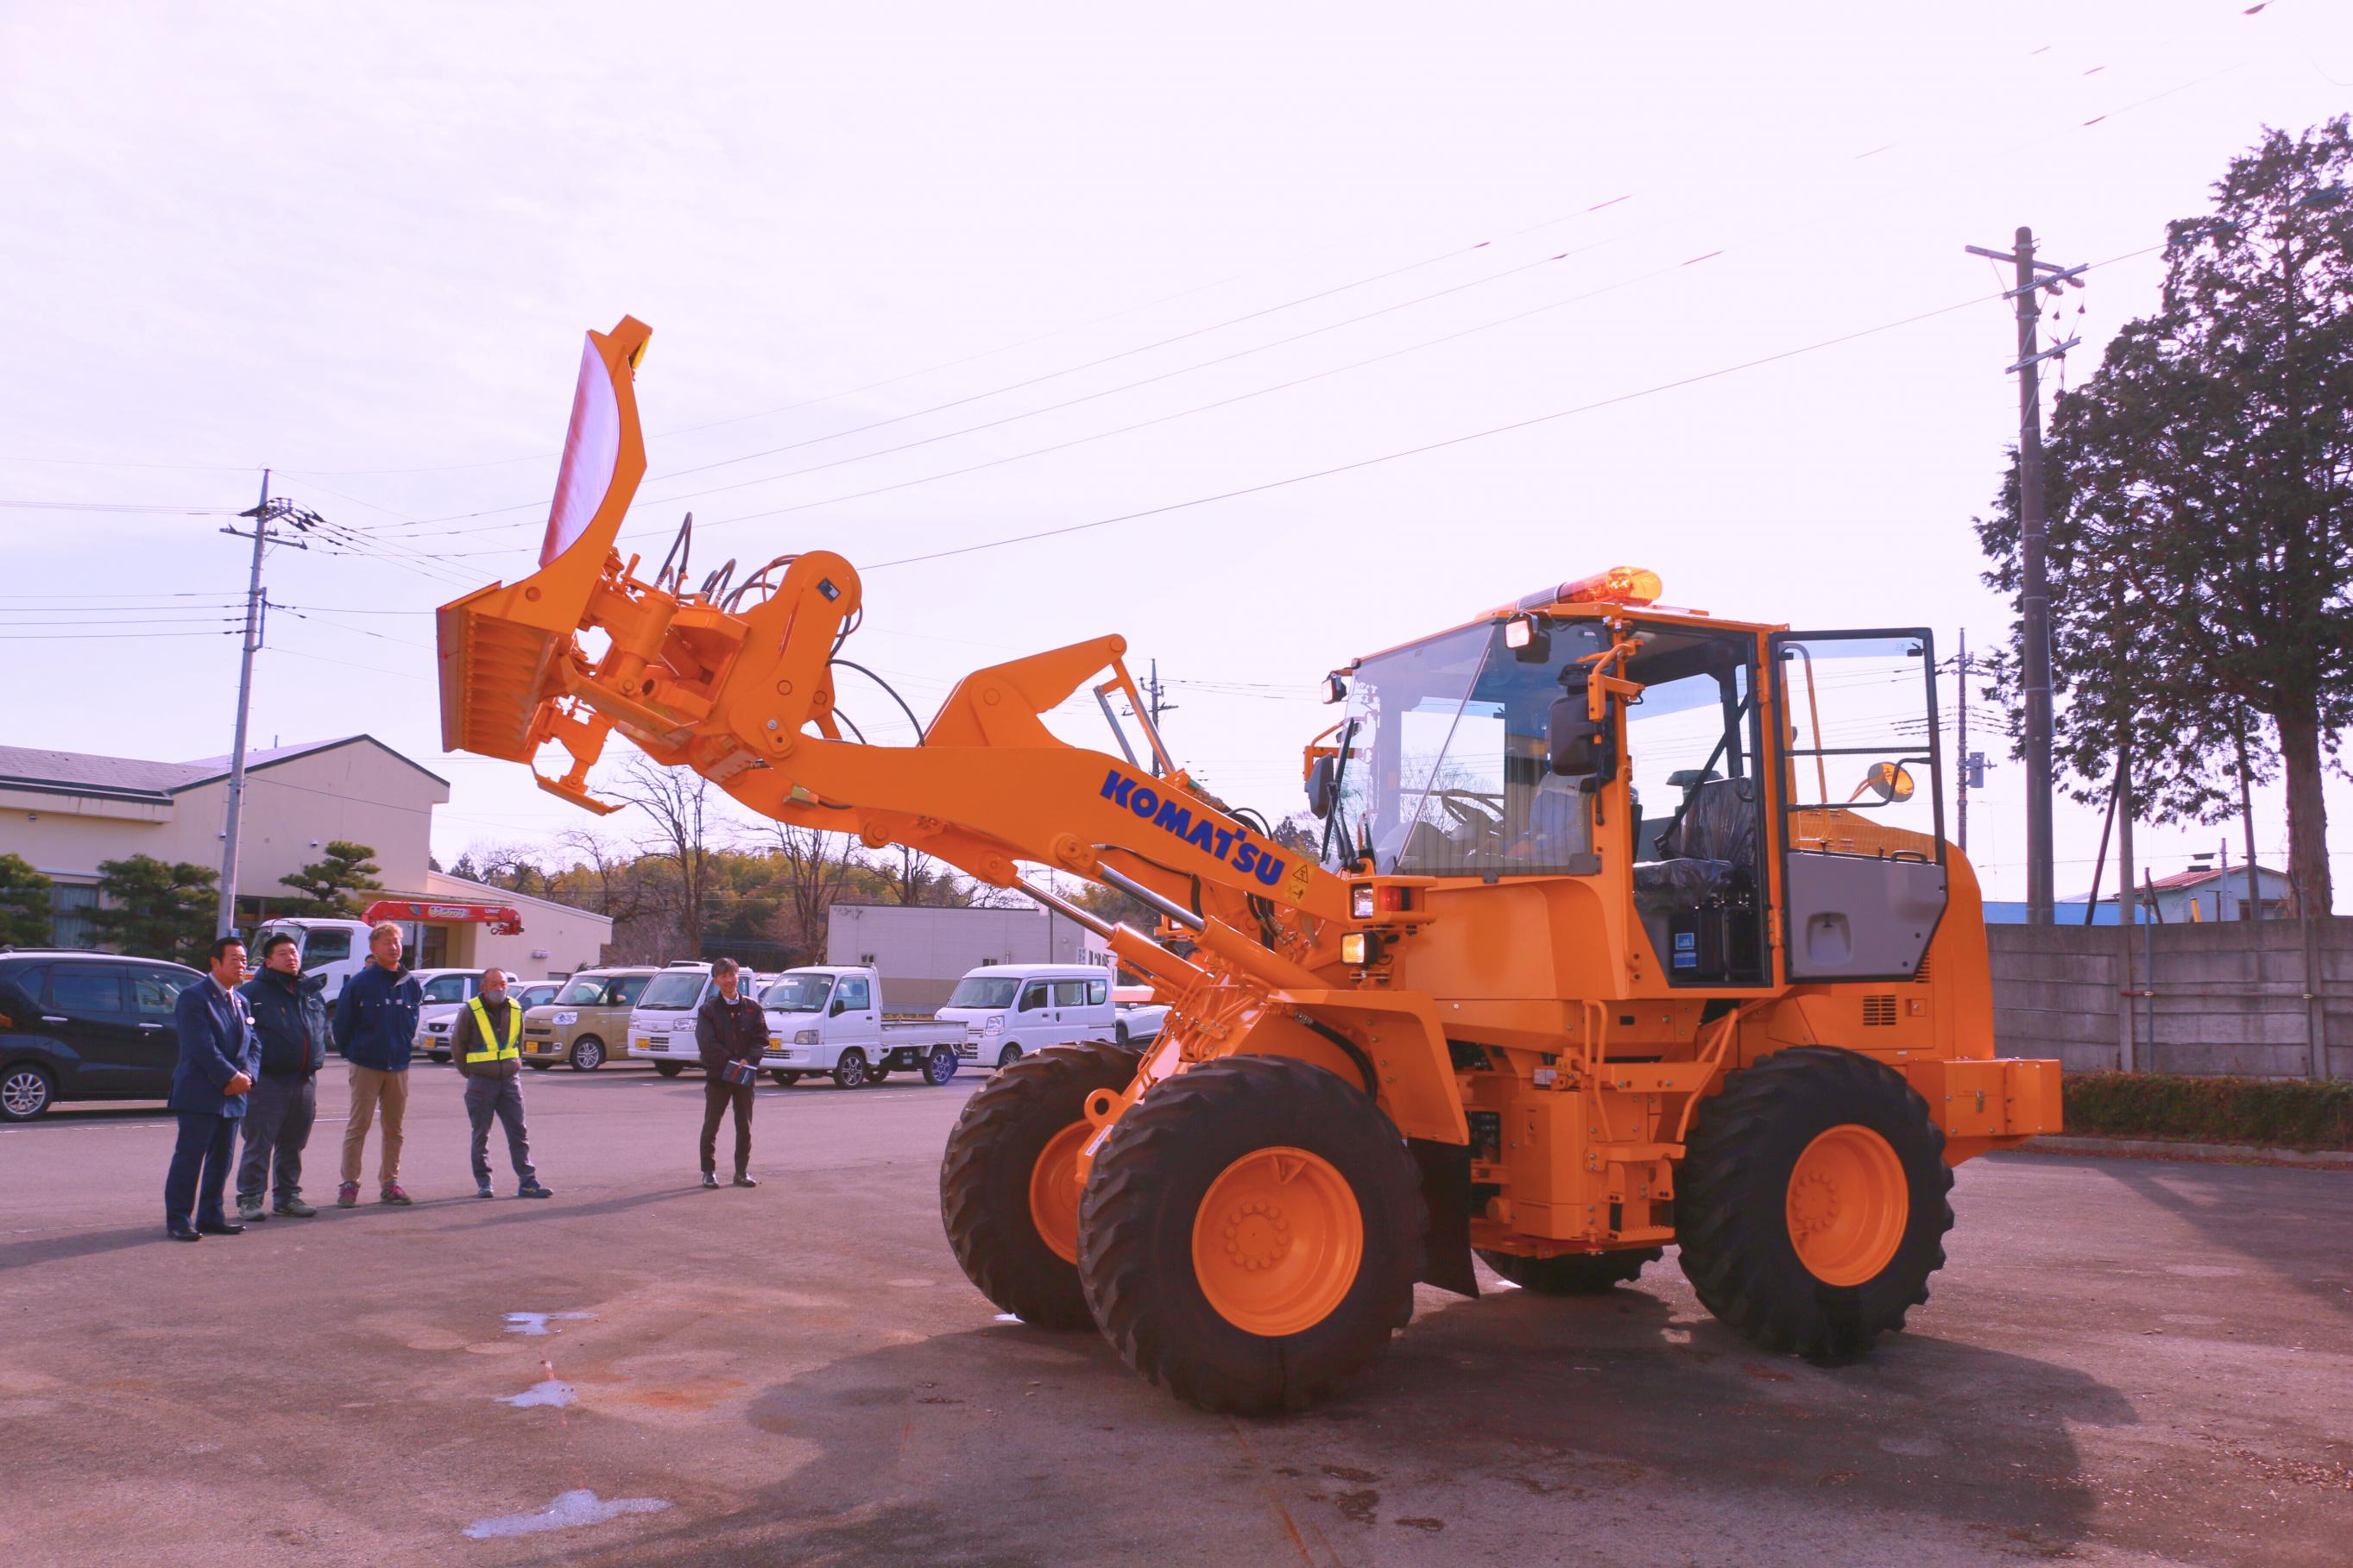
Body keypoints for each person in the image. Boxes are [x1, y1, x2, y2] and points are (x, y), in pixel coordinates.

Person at [165, 936, 262, 1241]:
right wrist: (230, 1077)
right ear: (215, 962)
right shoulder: (194, 997)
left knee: (222, 1160)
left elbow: (254, 1044)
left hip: (234, 1095)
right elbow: (201, 1046)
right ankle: (179, 1219)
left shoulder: (242, 1000)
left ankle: (211, 1215)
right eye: (234, 959)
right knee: (190, 1158)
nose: (241, 964)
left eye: (244, 959)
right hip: (201, 1092)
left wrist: (248, 1076)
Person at [234, 932, 330, 1222]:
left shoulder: (309, 992)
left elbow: (320, 1029)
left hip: (304, 1080)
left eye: (294, 952)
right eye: (283, 953)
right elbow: (241, 1037)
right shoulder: (253, 994)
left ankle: (287, 1197)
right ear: (268, 961)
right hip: (267, 1082)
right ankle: (250, 1199)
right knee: (259, 1143)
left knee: (294, 1143)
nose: (292, 958)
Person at [331, 921, 422, 1207]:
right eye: (386, 942)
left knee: (394, 1128)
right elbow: (342, 1025)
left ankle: (390, 1183)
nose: (393, 946)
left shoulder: (410, 983)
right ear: (373, 948)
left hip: (398, 1066)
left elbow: (411, 1021)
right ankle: (349, 1183)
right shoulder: (361, 983)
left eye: (396, 941)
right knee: (359, 1126)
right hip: (366, 1065)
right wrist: (355, 1054)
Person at [449, 967, 552, 1200]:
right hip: (481, 1081)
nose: (499, 989)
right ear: (483, 988)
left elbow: (519, 1043)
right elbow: (458, 1046)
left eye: (502, 984)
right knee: (481, 1134)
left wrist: (513, 1066)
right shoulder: (471, 1011)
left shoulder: (515, 1008)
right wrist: (471, 1073)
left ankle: (528, 1182)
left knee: (519, 1131)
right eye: (493, 985)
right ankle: (484, 1183)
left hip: (509, 1081)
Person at [696, 956, 766, 1189]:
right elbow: (707, 1042)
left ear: (739, 977)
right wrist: (731, 1061)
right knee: (711, 1125)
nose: (728, 980)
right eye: (723, 976)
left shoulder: (753, 1008)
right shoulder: (708, 1010)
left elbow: (761, 1039)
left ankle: (741, 1172)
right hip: (719, 1077)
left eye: (732, 975)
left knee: (744, 1126)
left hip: (745, 1077)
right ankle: (708, 1171)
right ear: (716, 981)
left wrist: (748, 1059)